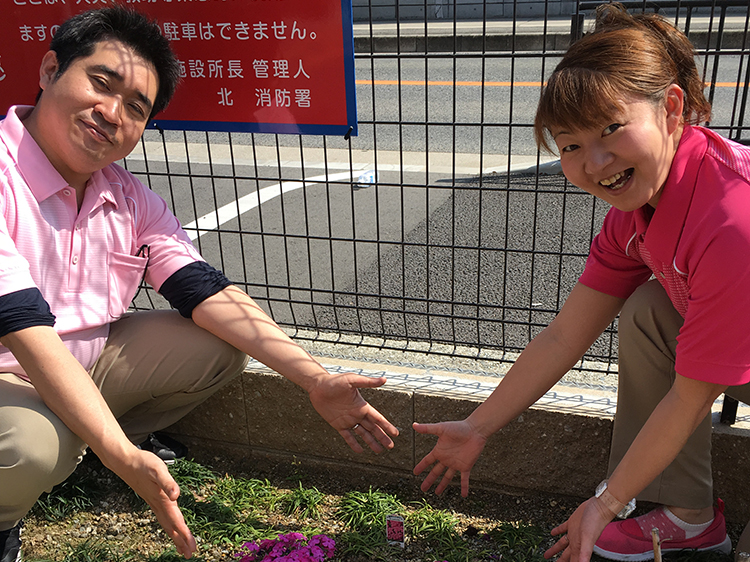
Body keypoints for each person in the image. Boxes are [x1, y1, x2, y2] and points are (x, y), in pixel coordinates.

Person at [0, 6, 399, 561]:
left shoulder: (128, 195)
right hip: (9, 375)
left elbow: (202, 289)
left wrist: (314, 379)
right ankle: (9, 515)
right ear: (49, 71)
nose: (111, 113)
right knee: (26, 450)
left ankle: (81, 441)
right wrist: (119, 452)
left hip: (84, 360)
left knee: (217, 343)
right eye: (100, 82)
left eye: (136, 108)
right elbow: (21, 326)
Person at [412, 4, 750, 561]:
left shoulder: (732, 219)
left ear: (671, 108)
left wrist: (606, 503)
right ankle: (688, 517)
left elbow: (692, 398)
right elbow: (564, 335)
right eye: (569, 145)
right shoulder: (638, 211)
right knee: (649, 308)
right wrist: (478, 426)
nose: (593, 163)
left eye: (612, 129)